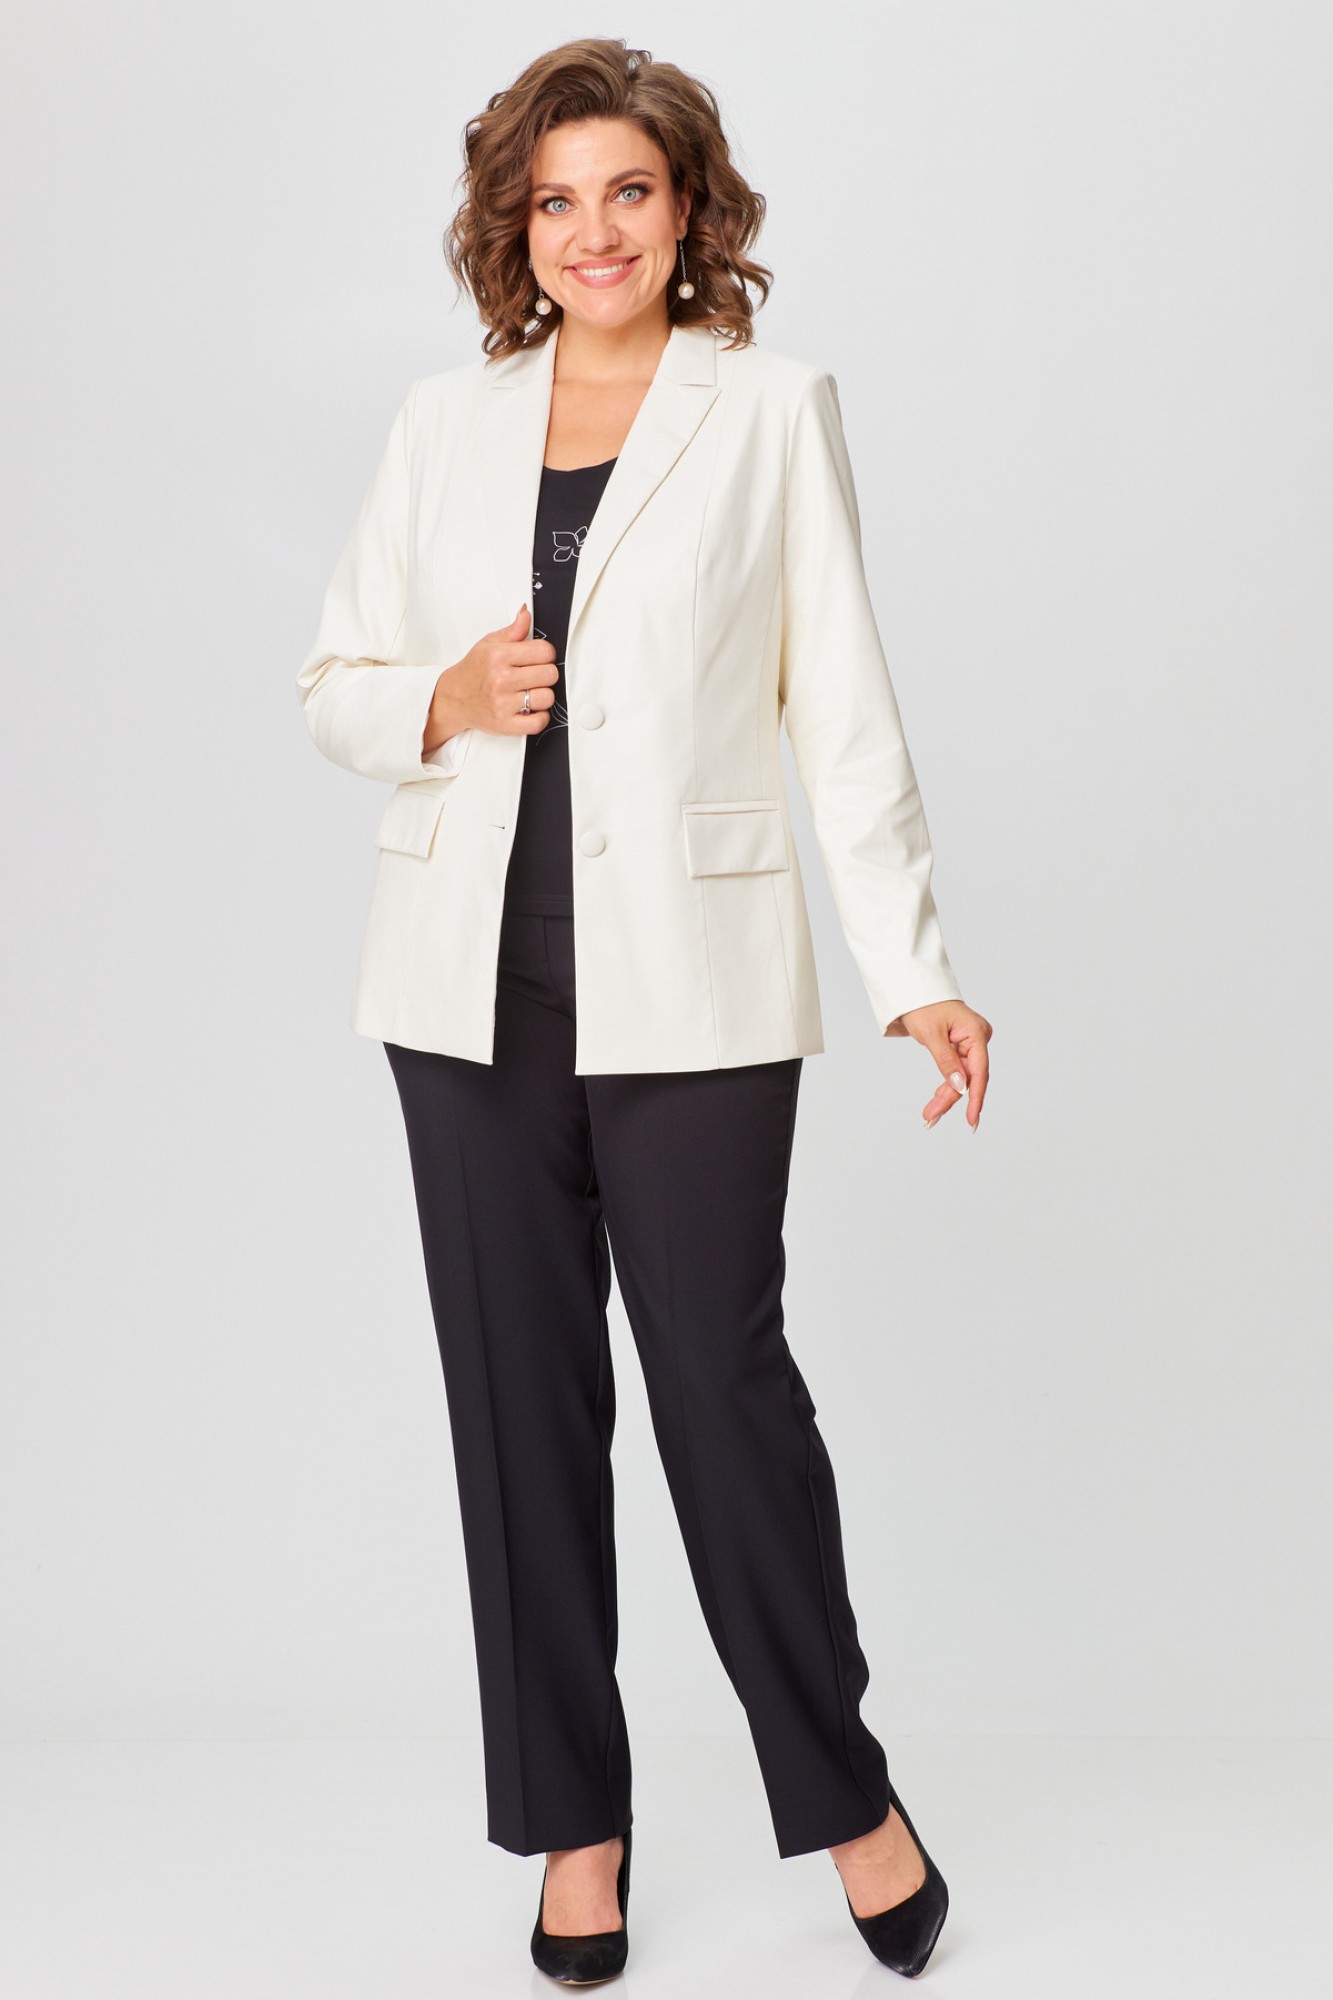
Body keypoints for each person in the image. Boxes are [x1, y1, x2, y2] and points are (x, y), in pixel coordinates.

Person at [296, 36, 991, 1985]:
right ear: (512, 226)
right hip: (467, 996)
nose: (591, 230)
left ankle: (845, 1793)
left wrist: (914, 971)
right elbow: (333, 683)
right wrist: (443, 697)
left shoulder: (769, 411)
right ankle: (573, 1829)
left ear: (688, 210)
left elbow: (838, 713)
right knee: (517, 1410)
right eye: (554, 200)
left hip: (694, 991)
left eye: (627, 191)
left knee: (721, 1388)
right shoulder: (442, 422)